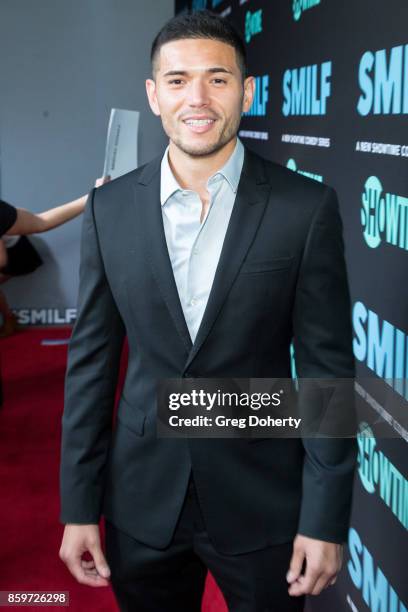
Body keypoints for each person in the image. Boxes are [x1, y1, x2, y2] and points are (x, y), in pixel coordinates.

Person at [59, 10, 356, 612]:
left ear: (246, 91)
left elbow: (327, 370)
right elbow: (90, 366)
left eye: (217, 79)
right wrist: (78, 506)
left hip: (265, 500)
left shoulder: (306, 208)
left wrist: (325, 519)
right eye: (177, 80)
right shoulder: (107, 210)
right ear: (153, 95)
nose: (197, 97)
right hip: (142, 500)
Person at [0, 178, 108, 337]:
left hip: (19, 256)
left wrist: (93, 195)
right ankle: (10, 320)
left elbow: (41, 222)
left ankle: (10, 320)